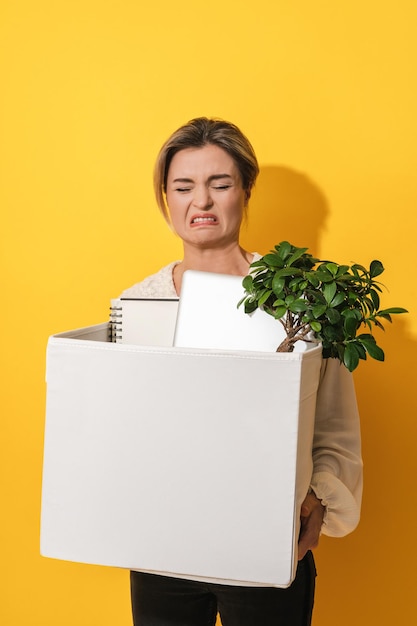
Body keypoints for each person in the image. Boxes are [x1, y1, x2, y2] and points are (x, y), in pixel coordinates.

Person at [121, 117, 363, 626]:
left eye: (220, 184)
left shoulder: (302, 304)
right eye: (183, 187)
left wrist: (318, 496)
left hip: (265, 543)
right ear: (166, 197)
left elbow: (335, 426)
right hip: (162, 546)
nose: (200, 202)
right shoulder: (140, 303)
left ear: (246, 190)